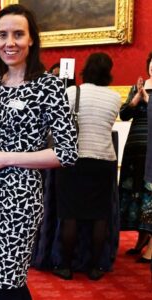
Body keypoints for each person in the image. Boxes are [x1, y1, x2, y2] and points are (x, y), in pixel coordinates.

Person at [0, 4, 78, 299]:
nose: (9, 42)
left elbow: (67, 153)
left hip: (21, 197)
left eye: (18, 34)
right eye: (2, 35)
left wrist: (7, 158)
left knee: (7, 283)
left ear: (31, 40)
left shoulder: (49, 87)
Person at [52, 53, 119, 281]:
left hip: (74, 159)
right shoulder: (114, 97)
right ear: (108, 71)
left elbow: (58, 124)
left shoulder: (72, 92)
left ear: (86, 69)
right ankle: (95, 268)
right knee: (99, 216)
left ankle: (66, 266)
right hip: (104, 160)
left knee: (70, 215)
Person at [119, 52, 152, 263]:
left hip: (151, 148)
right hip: (134, 148)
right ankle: (141, 240)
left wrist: (148, 100)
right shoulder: (136, 87)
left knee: (149, 196)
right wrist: (136, 99)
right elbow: (123, 115)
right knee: (135, 194)